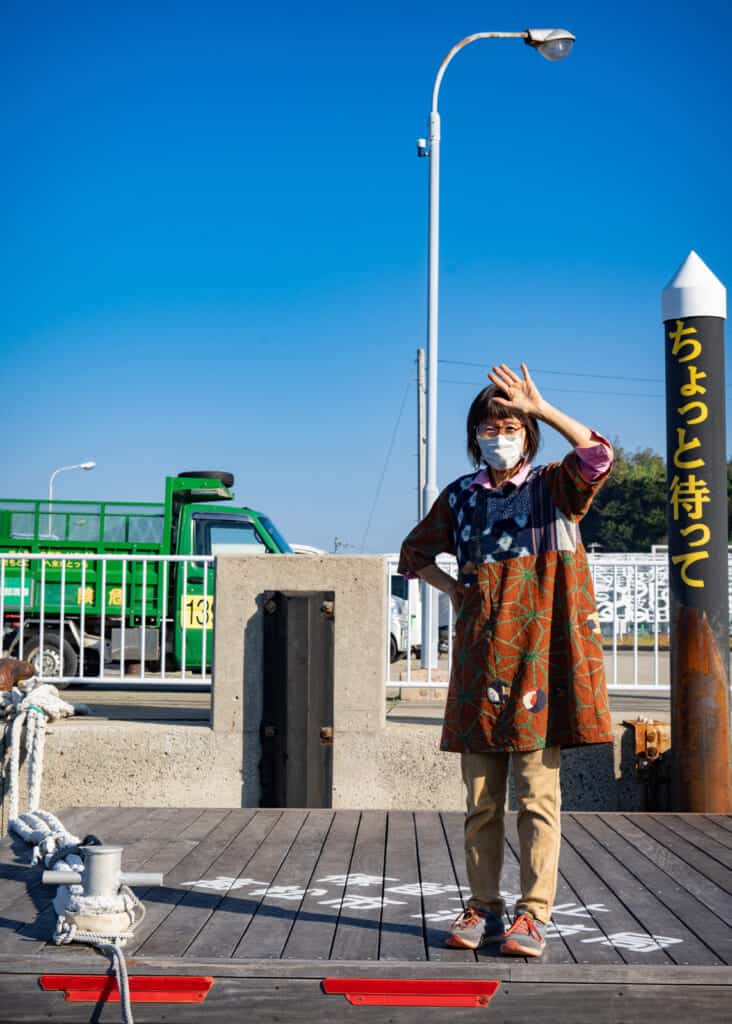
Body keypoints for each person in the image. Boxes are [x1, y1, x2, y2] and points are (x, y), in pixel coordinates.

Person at [398, 362, 614, 958]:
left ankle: (533, 914)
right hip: (480, 662)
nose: (500, 435)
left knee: (539, 798)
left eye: (511, 425)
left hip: (541, 661)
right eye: (490, 426)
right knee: (481, 800)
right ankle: (483, 906)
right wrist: (453, 589)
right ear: (475, 435)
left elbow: (598, 456)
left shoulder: (554, 487)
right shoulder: (461, 496)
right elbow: (415, 552)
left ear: (528, 432)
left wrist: (541, 407)